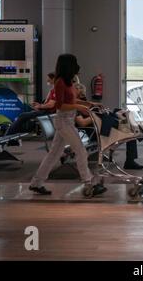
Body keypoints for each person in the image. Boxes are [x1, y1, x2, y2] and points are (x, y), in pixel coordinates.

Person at [29, 54, 107, 197]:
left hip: (68, 121)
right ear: (68, 65)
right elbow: (60, 105)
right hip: (63, 121)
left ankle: (36, 183)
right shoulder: (59, 82)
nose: (78, 66)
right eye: (75, 63)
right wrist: (79, 106)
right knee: (81, 151)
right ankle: (89, 182)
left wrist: (89, 104)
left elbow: (72, 99)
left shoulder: (68, 82)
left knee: (54, 154)